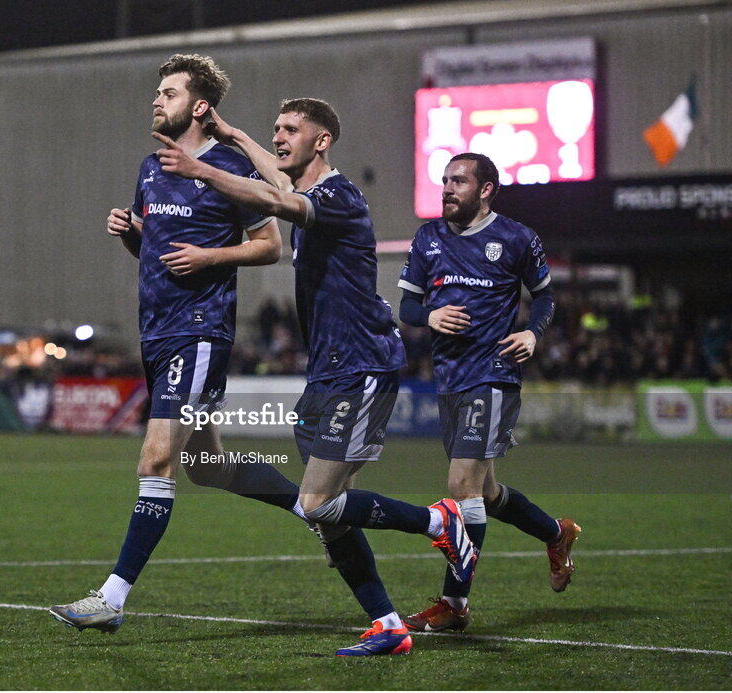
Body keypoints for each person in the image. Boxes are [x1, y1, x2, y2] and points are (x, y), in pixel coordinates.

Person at [150, 98, 475, 656]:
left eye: (290, 130)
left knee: (319, 503)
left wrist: (206, 167)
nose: (278, 137)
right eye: (275, 128)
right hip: (325, 374)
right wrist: (232, 135)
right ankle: (389, 626)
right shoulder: (306, 189)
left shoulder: (339, 196)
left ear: (321, 141)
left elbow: (280, 198)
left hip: (364, 365)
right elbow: (278, 181)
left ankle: (438, 522)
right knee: (328, 517)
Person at [50, 54, 310, 636]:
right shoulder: (150, 167)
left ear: (198, 107)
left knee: (156, 461)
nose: (155, 100)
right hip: (157, 331)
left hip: (198, 332)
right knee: (208, 467)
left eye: (167, 92)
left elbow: (269, 246)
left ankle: (112, 598)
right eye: (156, 92)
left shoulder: (227, 168)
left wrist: (209, 256)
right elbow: (158, 257)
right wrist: (133, 236)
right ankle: (313, 507)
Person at [396, 152, 581, 632]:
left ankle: (454, 604)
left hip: (493, 374)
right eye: (444, 180)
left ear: (486, 189)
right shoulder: (428, 238)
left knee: (461, 489)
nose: (447, 188)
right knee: (488, 493)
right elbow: (408, 307)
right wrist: (429, 316)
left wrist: (534, 334)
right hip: (450, 379)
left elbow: (544, 296)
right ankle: (555, 533)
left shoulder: (517, 239)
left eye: (458, 180)